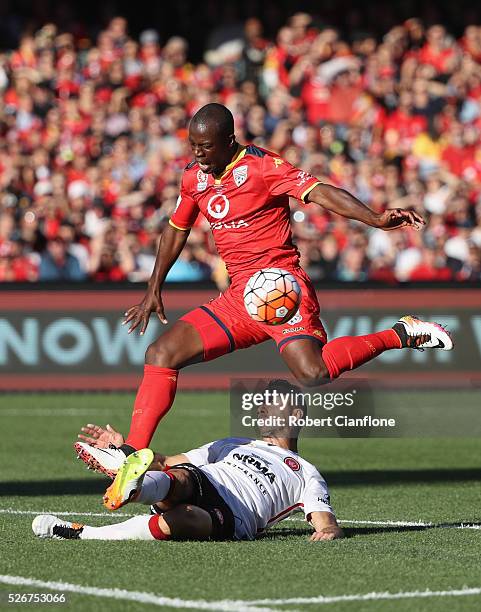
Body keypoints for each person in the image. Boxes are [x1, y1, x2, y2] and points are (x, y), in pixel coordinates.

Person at [75, 102, 453, 475]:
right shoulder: (193, 177)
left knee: (313, 373)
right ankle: (131, 454)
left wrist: (373, 218)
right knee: (161, 353)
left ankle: (401, 333)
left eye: (205, 146)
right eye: (193, 145)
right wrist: (153, 286)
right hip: (239, 295)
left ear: (229, 140)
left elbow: (320, 190)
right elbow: (177, 228)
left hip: (279, 285)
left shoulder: (263, 166)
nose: (198, 153)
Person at [34, 381, 343, 542]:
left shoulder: (306, 473)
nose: (262, 410)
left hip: (235, 516)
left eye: (272, 403)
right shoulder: (233, 443)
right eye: (261, 404)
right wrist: (127, 448)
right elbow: (167, 460)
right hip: (206, 479)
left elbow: (324, 519)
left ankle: (84, 531)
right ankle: (126, 472)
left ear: (297, 415)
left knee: (188, 519)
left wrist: (328, 530)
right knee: (179, 478)